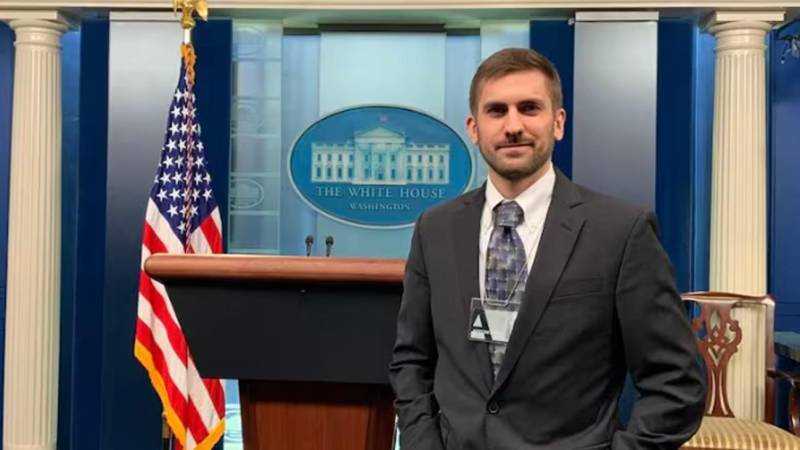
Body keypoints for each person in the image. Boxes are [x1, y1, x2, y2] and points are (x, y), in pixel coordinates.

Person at [389, 47, 706, 450]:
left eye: (530, 108)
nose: (513, 125)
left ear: (558, 123)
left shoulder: (621, 232)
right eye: (497, 110)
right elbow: (410, 361)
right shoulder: (435, 228)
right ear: (473, 127)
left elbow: (676, 384)